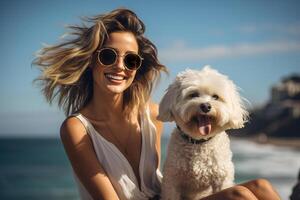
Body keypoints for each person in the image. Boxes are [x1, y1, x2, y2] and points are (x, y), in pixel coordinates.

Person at [34, 8, 281, 200]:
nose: (120, 66)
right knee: (240, 196)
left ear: (137, 67)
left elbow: (165, 179)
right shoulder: (76, 128)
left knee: (262, 187)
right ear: (91, 61)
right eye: (108, 56)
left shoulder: (152, 114)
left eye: (130, 60)